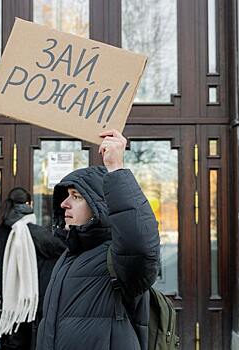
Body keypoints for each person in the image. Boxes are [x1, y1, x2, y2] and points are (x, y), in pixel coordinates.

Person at [36, 130, 160, 349]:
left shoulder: (117, 258)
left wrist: (116, 169)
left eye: (76, 196)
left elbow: (140, 245)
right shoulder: (69, 256)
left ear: (97, 208)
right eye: (66, 196)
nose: (65, 204)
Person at [0, 187, 66, 350]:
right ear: (29, 204)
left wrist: (2, 295)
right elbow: (64, 251)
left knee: (12, 341)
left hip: (9, 301)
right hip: (33, 302)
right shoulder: (36, 233)